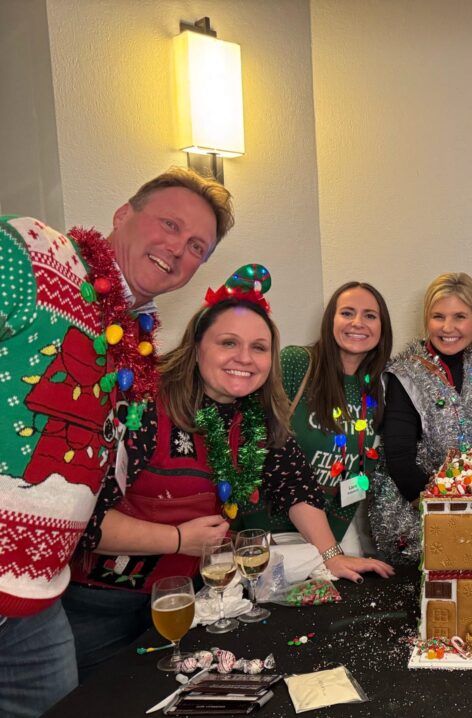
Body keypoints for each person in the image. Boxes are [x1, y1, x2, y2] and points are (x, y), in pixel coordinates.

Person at [0, 167, 233, 718]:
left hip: (36, 596)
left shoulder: (130, 340)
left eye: (195, 248)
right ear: (123, 215)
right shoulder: (34, 253)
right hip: (93, 596)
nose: (177, 250)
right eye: (170, 224)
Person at [63, 266, 393, 678]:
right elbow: (79, 520)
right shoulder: (144, 405)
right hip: (102, 606)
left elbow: (295, 486)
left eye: (259, 347)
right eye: (228, 343)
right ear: (197, 345)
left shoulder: (257, 415)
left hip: (194, 601)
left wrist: (333, 556)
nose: (244, 358)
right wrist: (180, 539)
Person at [248, 282, 392, 556]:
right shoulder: (297, 364)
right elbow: (253, 450)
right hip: (269, 529)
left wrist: (327, 548)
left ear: (382, 327)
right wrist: (256, 534)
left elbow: (361, 474)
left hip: (327, 535)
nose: (358, 323)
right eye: (347, 313)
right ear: (331, 320)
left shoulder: (378, 386)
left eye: (370, 316)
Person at [371, 272, 472, 562]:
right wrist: (448, 516)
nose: (447, 327)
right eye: (438, 316)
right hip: (416, 515)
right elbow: (400, 462)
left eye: (459, 316)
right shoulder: (405, 373)